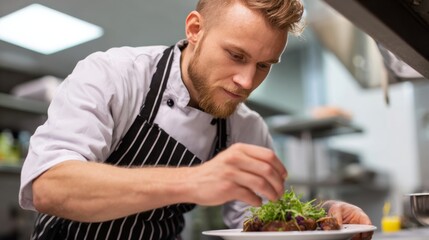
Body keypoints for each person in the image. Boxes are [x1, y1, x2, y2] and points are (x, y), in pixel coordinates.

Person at [19, 0, 373, 239]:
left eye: (263, 65)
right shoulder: (113, 75)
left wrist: (324, 219)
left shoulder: (247, 128)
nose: (247, 82)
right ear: (194, 29)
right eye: (236, 55)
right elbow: (49, 186)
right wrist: (194, 181)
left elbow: (259, 223)